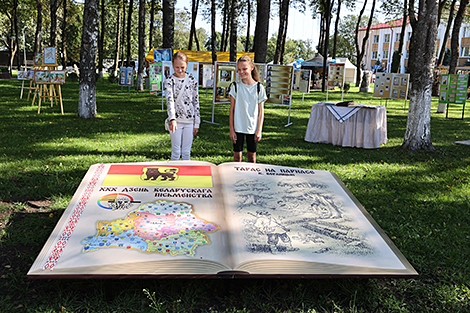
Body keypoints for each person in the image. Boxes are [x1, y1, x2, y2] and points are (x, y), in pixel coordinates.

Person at [229, 55, 267, 163]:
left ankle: (252, 180)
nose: (241, 72)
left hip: (253, 128)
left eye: (244, 69)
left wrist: (259, 130)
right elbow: (231, 110)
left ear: (251, 67)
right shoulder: (235, 87)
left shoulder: (259, 88)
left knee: (251, 158)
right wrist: (232, 130)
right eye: (239, 70)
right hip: (238, 127)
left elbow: (261, 112)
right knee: (237, 158)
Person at [164, 51, 200, 160]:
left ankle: (186, 175)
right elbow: (169, 101)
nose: (180, 70)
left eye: (182, 67)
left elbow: (196, 101)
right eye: (177, 67)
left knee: (186, 152)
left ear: (187, 64)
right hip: (176, 121)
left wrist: (197, 122)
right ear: (173, 65)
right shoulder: (169, 81)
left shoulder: (192, 79)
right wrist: (172, 119)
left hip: (190, 121)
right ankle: (173, 174)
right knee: (175, 152)